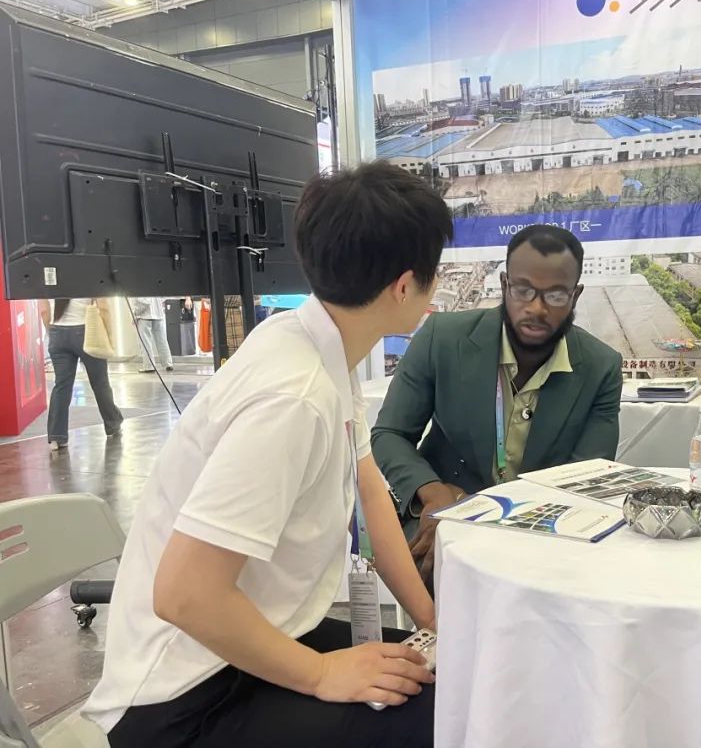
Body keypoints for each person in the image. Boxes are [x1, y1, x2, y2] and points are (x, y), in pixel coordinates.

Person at [83, 162, 454, 747]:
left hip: (257, 639)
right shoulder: (294, 397)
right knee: (440, 721)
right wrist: (323, 675)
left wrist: (431, 620)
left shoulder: (317, 345)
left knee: (449, 681)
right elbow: (184, 594)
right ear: (405, 286)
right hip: (184, 698)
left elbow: (370, 493)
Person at [373, 225, 624, 583]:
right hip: (448, 516)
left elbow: (587, 478)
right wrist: (434, 492)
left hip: (545, 531)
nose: (536, 308)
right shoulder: (442, 338)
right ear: (505, 285)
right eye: (523, 290)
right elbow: (390, 433)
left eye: (555, 295)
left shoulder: (601, 367)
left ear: (575, 295)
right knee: (438, 578)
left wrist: (502, 520)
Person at [46, 298, 123, 450]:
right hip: (87, 330)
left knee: (61, 386)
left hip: (57, 331)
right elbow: (103, 307)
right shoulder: (89, 281)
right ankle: (113, 424)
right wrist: (109, 336)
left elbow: (43, 311)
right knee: (100, 383)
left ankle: (56, 436)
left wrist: (52, 333)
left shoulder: (49, 281)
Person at [132, 297, 174, 373]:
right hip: (158, 314)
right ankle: (168, 363)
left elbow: (144, 301)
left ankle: (149, 366)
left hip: (144, 316)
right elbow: (162, 297)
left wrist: (135, 314)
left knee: (145, 342)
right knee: (162, 340)